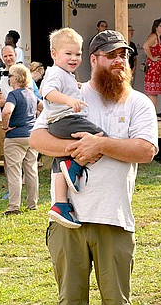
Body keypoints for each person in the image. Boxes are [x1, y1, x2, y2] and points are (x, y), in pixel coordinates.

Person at [29, 29, 158, 304]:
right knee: (71, 301)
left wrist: (99, 145)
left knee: (116, 301)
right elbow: (37, 138)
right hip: (68, 223)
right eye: (111, 55)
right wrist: (74, 149)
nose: (119, 60)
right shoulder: (71, 94)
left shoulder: (138, 103)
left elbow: (145, 150)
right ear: (94, 59)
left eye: (123, 55)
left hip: (114, 220)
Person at [39, 28, 104, 228]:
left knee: (61, 161)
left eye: (77, 54)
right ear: (54, 54)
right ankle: (75, 165)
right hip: (65, 120)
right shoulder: (56, 73)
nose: (74, 58)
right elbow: (47, 91)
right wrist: (69, 100)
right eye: (68, 54)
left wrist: (73, 88)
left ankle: (60, 204)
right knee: (102, 138)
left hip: (58, 123)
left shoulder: (65, 74)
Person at [1, 64, 43, 215]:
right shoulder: (32, 94)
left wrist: (5, 127)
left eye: (10, 76)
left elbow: (7, 111)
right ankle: (32, 204)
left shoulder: (14, 94)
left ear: (17, 78)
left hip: (15, 136)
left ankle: (14, 206)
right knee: (31, 170)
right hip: (31, 136)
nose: (9, 78)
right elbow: (42, 107)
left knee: (14, 172)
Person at [143, 18, 161, 117]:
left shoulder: (159, 37)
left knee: (155, 92)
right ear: (156, 27)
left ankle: (152, 114)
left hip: (159, 68)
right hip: (155, 68)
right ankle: (152, 115)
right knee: (152, 93)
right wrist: (152, 58)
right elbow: (145, 46)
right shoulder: (153, 36)